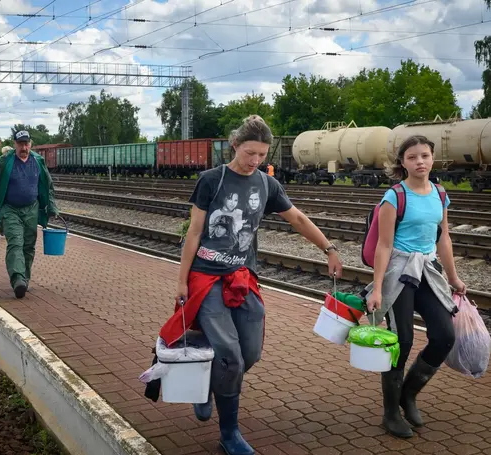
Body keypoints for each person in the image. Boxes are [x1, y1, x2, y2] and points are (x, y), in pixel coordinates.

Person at [161, 115, 343, 455]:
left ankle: (208, 387)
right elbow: (194, 231)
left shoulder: (267, 184)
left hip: (242, 276)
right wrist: (182, 280)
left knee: (250, 353)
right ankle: (229, 433)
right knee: (230, 355)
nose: (255, 161)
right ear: (234, 146)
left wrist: (328, 248)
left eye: (261, 155)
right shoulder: (211, 181)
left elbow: (298, 218)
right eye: (249, 153)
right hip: (206, 276)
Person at [363, 135, 464, 439]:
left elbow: (443, 238)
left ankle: (408, 393)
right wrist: (377, 288)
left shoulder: (440, 194)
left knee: (445, 336)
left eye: (425, 155)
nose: (420, 161)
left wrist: (454, 276)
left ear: (433, 159)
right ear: (403, 162)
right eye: (412, 157)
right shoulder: (394, 196)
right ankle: (391, 412)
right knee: (401, 341)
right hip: (399, 271)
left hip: (428, 271)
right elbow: (383, 245)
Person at [0, 130, 58, 299]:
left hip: (32, 209)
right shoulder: (5, 161)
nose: (24, 147)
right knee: (16, 242)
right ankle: (17, 279)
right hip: (10, 209)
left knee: (29, 246)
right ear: (15, 144)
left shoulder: (38, 161)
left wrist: (51, 207)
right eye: (21, 144)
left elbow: (48, 186)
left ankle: (25, 278)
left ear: (30, 144)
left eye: (26, 143)